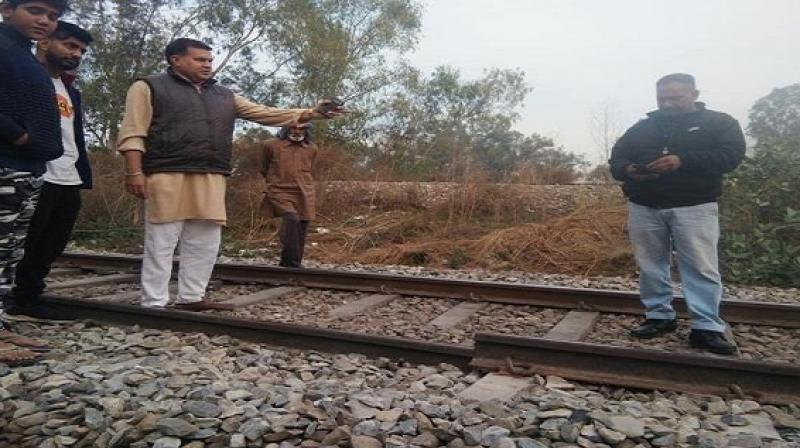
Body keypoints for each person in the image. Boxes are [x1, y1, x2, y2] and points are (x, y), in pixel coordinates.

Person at [117, 38, 343, 310]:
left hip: (212, 173)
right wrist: (134, 172)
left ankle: (191, 298)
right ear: (175, 60)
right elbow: (133, 132)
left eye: (210, 60)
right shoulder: (148, 86)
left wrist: (311, 114)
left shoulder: (224, 95)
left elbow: (266, 114)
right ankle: (153, 303)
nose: (207, 65)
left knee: (205, 240)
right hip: (166, 172)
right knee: (162, 241)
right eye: (200, 59)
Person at [609, 73, 746, 355]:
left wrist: (682, 161)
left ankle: (706, 327)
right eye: (662, 98)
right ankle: (659, 316)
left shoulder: (719, 123)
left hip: (695, 206)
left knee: (700, 266)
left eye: (676, 97)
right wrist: (631, 171)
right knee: (650, 265)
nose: (668, 103)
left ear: (694, 94)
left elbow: (730, 156)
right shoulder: (643, 127)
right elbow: (617, 159)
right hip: (645, 206)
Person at [5, 21, 93, 321]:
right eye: (69, 45)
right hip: (32, 170)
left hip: (67, 174)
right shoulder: (27, 78)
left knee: (52, 241)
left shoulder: (70, 91)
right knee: (17, 242)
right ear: (45, 43)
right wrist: (21, 139)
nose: (77, 54)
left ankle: (28, 299)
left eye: (81, 50)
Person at [0, 0, 68, 364]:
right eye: (35, 10)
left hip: (25, 167)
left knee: (8, 252)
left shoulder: (23, 54)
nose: (45, 21)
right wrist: (18, 136)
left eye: (54, 16)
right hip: (6, 162)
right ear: (6, 9)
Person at [260, 124, 318, 268]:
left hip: (304, 190)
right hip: (279, 190)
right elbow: (263, 167)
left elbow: (310, 168)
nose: (297, 132)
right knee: (291, 219)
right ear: (286, 129)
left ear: (307, 130)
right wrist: (273, 181)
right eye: (293, 128)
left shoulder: (312, 148)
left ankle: (291, 263)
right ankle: (292, 263)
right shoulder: (270, 145)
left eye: (301, 129)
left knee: (303, 223)